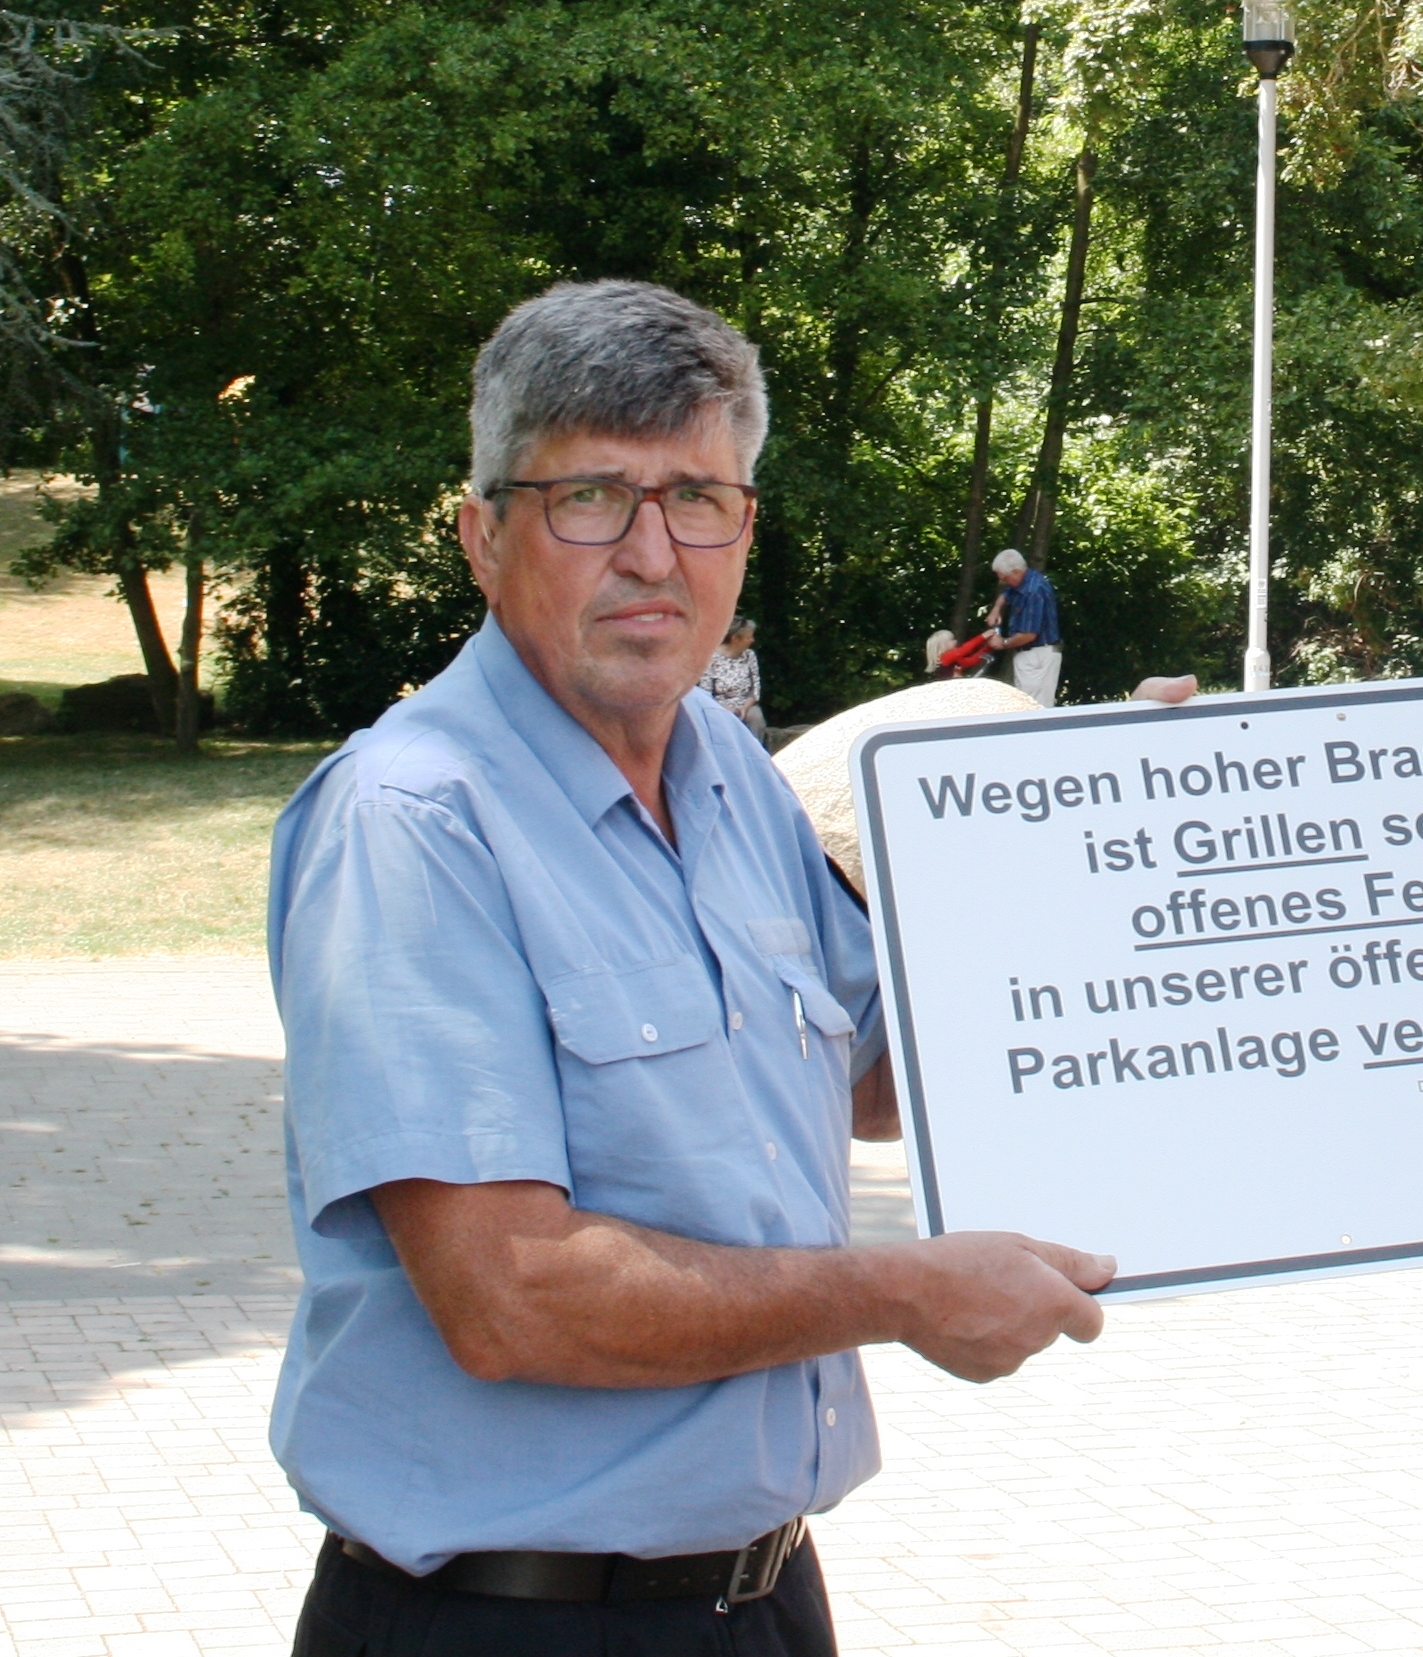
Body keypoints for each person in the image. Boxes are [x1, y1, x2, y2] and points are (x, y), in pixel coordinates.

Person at [269, 280, 1115, 1657]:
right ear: (485, 534)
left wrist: (1149, 882)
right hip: (506, 1622)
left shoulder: (728, 772)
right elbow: (509, 1293)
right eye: (591, 497)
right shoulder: (415, 820)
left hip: (758, 1599)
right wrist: (904, 1291)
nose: (654, 552)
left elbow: (868, 1082)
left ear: (745, 529)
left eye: (698, 499)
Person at [984, 545, 1062, 706]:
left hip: (1037, 655)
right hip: (1031, 655)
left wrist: (1003, 643)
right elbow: (1007, 594)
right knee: (1026, 704)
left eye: (1005, 578)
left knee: (1034, 705)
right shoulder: (1024, 581)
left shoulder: (1033, 592)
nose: (1004, 582)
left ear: (1016, 572)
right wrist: (996, 609)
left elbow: (1028, 634)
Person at [701, 613, 767, 740]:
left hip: (745, 704)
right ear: (735, 639)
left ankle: (754, 756)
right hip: (719, 705)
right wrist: (726, 708)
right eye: (749, 637)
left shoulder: (749, 655)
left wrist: (744, 708)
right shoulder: (711, 658)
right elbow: (705, 693)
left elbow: (755, 689)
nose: (752, 640)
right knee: (723, 720)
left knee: (756, 717)